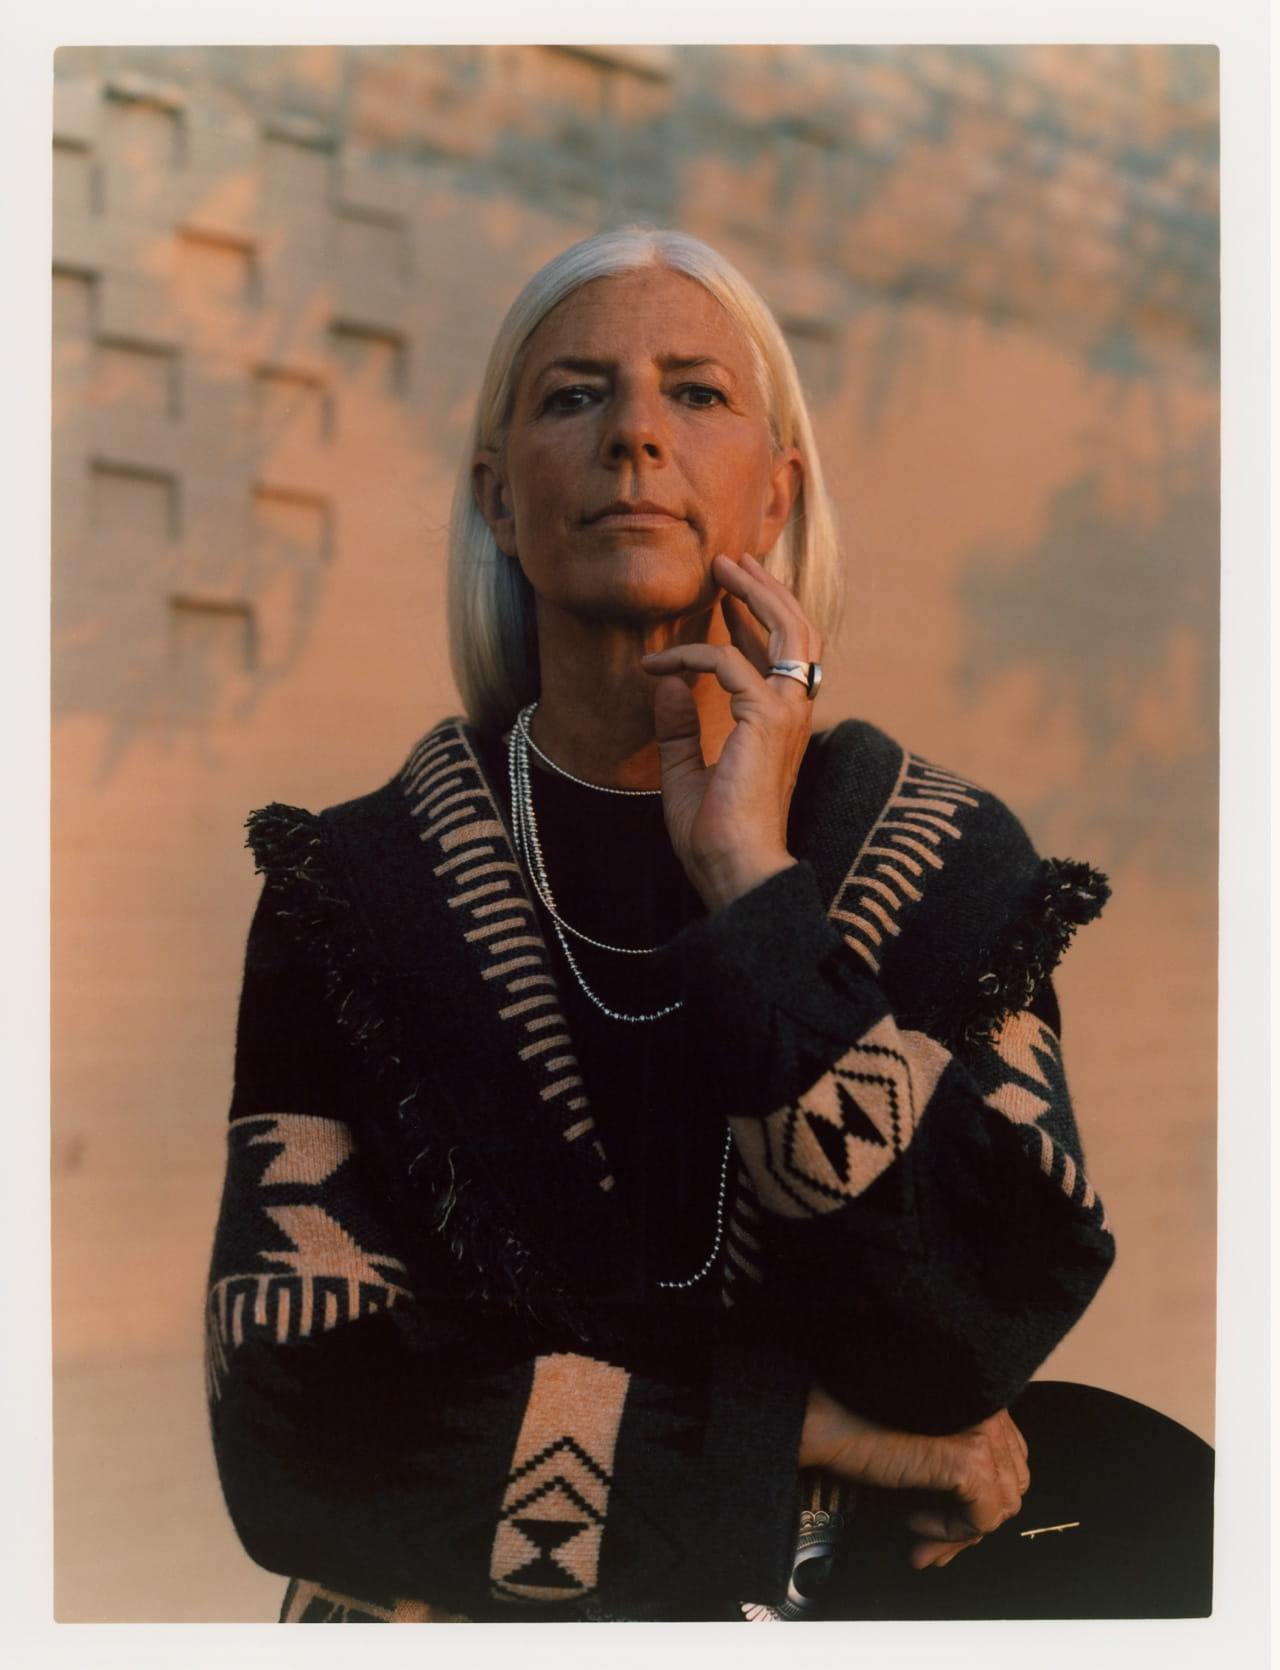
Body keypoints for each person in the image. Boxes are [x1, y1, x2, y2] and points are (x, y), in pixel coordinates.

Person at [205, 228, 1211, 1624]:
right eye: (574, 395)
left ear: (776, 492)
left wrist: (753, 887)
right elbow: (296, 1426)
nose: (634, 434)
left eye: (696, 392)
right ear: (499, 499)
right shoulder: (355, 892)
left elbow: (969, 1331)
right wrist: (796, 1434)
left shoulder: (945, 863)